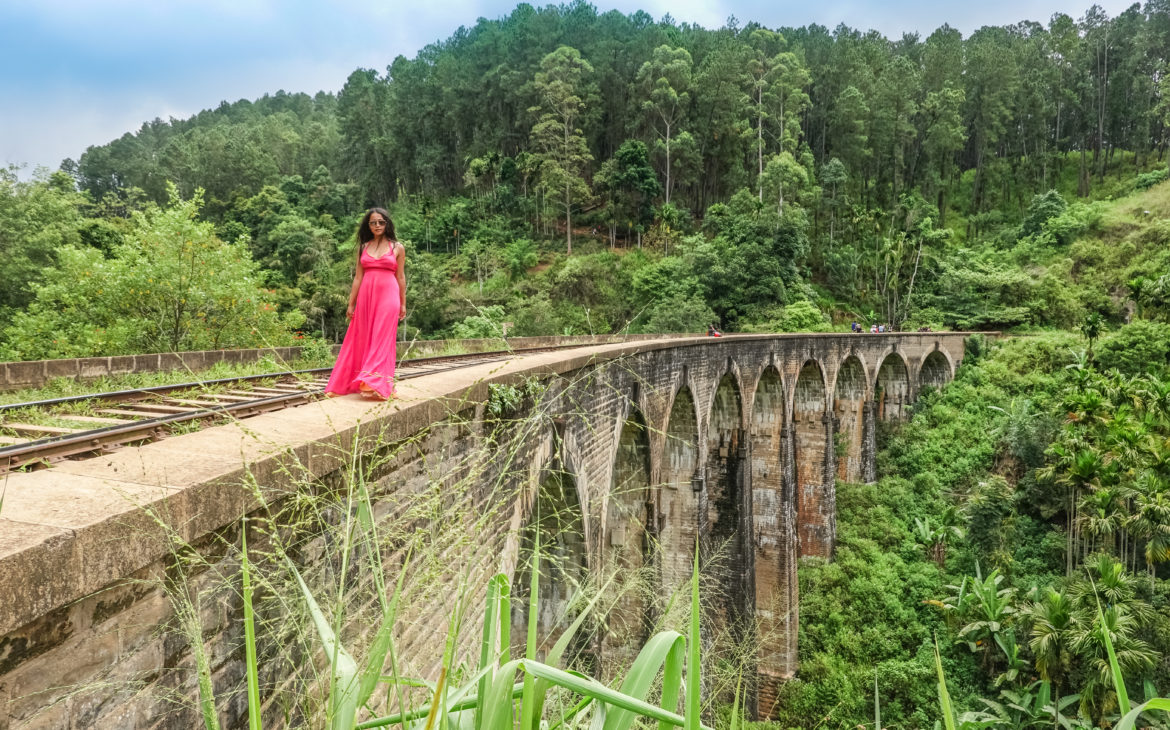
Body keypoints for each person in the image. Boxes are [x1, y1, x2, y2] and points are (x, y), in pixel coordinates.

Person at [325, 208, 407, 400]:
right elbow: (357, 278)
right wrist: (351, 303)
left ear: (387, 223)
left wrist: (403, 303)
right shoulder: (363, 247)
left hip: (389, 294)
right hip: (366, 296)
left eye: (381, 222)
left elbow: (401, 277)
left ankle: (375, 382)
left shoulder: (397, 248)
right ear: (368, 226)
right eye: (373, 222)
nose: (377, 225)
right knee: (359, 337)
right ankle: (344, 384)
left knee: (382, 338)